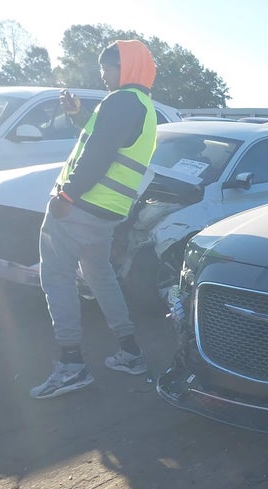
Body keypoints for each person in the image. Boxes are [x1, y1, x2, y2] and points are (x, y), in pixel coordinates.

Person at [30, 40, 158, 399]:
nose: (103, 74)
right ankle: (130, 352)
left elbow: (99, 152)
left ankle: (71, 365)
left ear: (126, 67)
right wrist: (78, 115)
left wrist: (67, 195)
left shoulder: (121, 101)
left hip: (80, 207)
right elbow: (109, 140)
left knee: (57, 277)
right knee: (100, 277)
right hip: (107, 212)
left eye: (108, 66)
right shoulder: (142, 105)